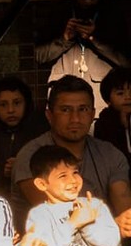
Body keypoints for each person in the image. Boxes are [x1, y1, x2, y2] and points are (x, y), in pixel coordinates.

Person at [11, 75, 131, 235]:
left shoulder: (110, 155)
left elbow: (123, 205)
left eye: (83, 109)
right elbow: (56, 220)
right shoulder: (31, 157)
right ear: (49, 115)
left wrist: (125, 222)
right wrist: (112, 226)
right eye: (65, 110)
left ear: (93, 113)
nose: (75, 118)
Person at [27, 145, 131, 246]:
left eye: (75, 172)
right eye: (63, 175)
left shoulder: (94, 205)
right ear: (41, 184)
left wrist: (87, 224)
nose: (73, 180)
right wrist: (73, 224)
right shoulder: (39, 214)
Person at [34, 0, 131, 115]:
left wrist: (94, 38)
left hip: (99, 101)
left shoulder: (113, 14)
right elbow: (39, 56)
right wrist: (65, 39)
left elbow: (126, 62)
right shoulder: (61, 12)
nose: (87, 1)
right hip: (64, 97)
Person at [0, 76, 47, 197]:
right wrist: (1, 171)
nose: (10, 110)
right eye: (3, 104)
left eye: (17, 103)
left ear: (26, 104)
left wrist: (23, 167)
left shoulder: (40, 136)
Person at [94, 67, 131, 171]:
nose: (128, 97)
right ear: (108, 99)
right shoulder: (104, 123)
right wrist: (123, 127)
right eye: (120, 93)